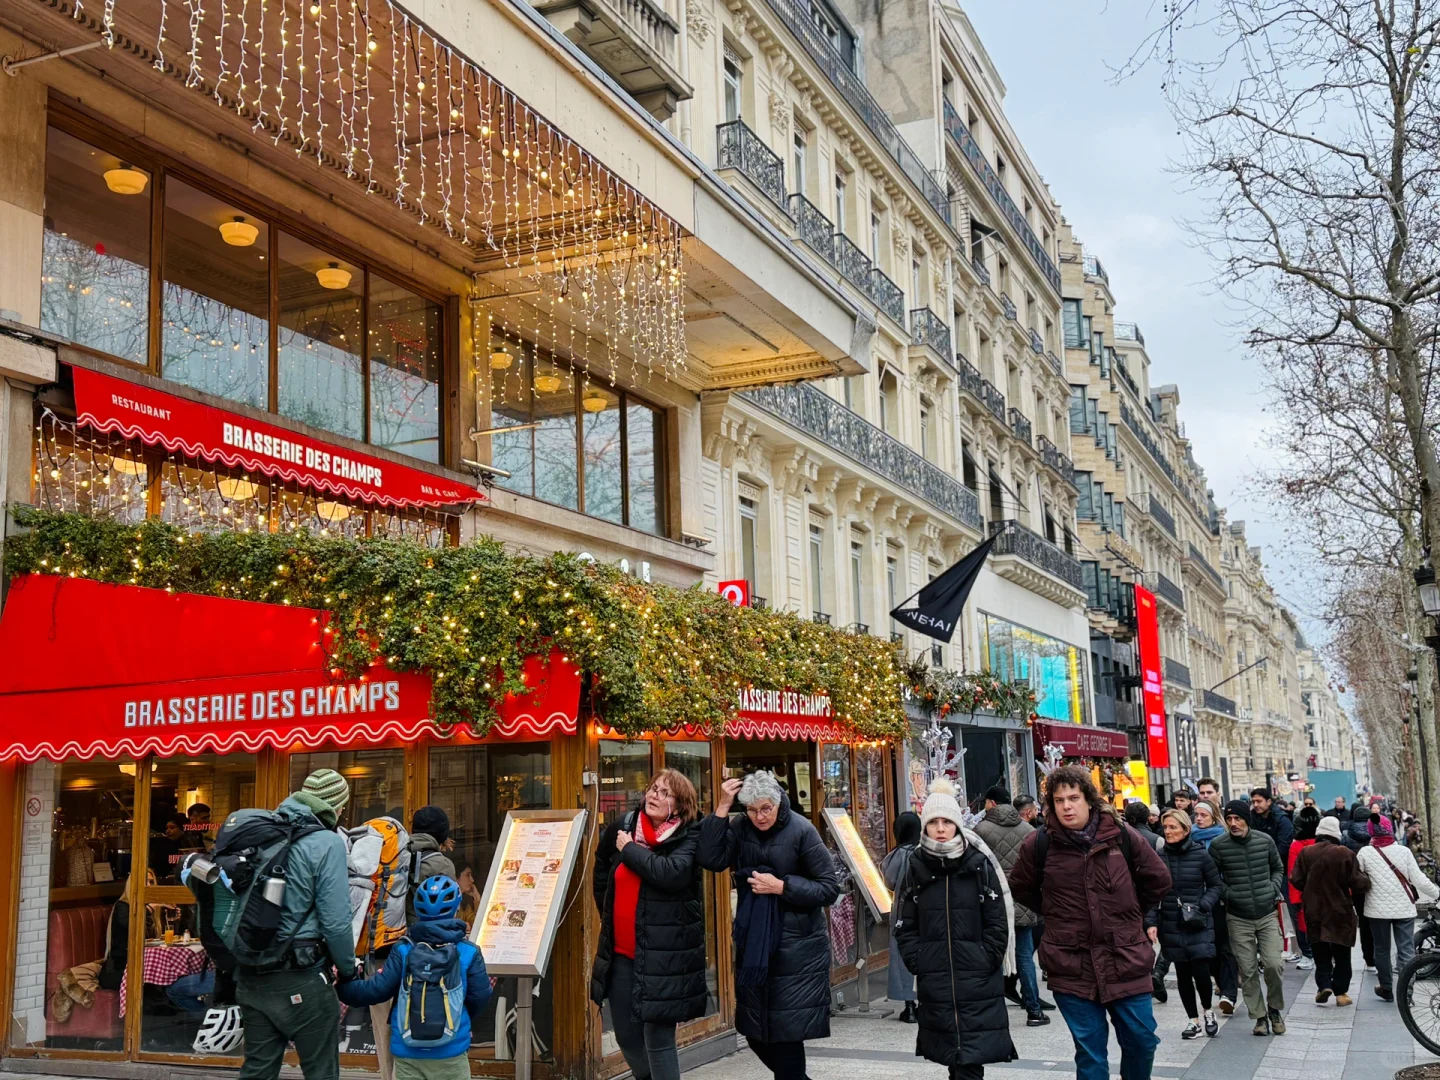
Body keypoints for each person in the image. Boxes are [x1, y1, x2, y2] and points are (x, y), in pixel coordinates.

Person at [1008, 765, 1170, 1080]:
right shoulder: (1039, 843)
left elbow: (1158, 879)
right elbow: (1021, 887)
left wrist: (1131, 913)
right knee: (1091, 1055)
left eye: (1073, 797)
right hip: (1072, 963)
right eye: (1059, 800)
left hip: (1125, 956)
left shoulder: (1120, 835)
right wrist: (1055, 913)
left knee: (1142, 1039)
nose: (1067, 806)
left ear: (1089, 800)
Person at [698, 771, 839, 1080]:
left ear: (778, 803)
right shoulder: (740, 826)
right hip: (755, 947)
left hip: (797, 951)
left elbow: (829, 888)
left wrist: (782, 887)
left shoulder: (802, 831)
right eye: (751, 809)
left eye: (765, 808)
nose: (759, 816)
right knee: (755, 1032)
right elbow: (710, 859)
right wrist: (722, 806)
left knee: (786, 1035)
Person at [237, 769, 360, 1080]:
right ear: (335, 807)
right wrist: (348, 970)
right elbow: (335, 923)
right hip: (302, 979)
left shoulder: (260, 833)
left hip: (252, 975)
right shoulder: (326, 842)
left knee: (257, 1071)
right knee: (321, 1072)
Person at [894, 779, 1017, 1080]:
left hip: (976, 975)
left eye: (946, 822)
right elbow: (905, 922)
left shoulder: (977, 863)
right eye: (933, 822)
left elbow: (997, 918)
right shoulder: (916, 866)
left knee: (969, 1061)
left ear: (957, 826)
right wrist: (918, 959)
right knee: (954, 1056)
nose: (939, 828)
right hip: (936, 975)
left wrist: (986, 956)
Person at [591, 770, 706, 1080]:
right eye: (654, 789)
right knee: (627, 1036)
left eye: (665, 793)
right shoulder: (625, 825)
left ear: (680, 805)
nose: (655, 795)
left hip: (665, 957)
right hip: (622, 953)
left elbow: (671, 874)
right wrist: (607, 910)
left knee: (658, 1037)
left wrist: (629, 850)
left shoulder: (689, 834)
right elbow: (602, 864)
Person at [337, 876, 491, 1080]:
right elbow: (480, 997)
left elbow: (377, 990)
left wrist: (343, 986)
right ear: (456, 909)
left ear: (418, 911)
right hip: (451, 1050)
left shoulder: (403, 949)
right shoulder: (468, 951)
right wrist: (458, 1017)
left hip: (407, 1051)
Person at [973, 785, 1050, 1026]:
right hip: (1022, 899)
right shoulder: (1029, 830)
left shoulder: (981, 830)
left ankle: (991, 1013)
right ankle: (1034, 1011)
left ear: (992, 803)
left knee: (991, 955)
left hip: (993, 901)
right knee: (1025, 956)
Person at [1207, 800, 1286, 1035]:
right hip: (1237, 916)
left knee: (1273, 964)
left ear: (1246, 820)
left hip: (1266, 913)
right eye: (1229, 819)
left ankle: (1274, 1009)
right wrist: (1229, 894)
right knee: (1248, 969)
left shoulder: (1265, 841)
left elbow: (1278, 868)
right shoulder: (1218, 846)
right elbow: (1213, 878)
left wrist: (1272, 889)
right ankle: (1259, 1017)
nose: (1233, 823)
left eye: (1238, 819)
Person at [1146, 809, 1221, 1040]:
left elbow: (1216, 886)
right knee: (1182, 974)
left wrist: (1203, 905)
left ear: (1185, 830)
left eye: (1173, 827)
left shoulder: (1201, 855)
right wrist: (1150, 921)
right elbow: (1152, 892)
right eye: (1165, 827)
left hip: (1197, 922)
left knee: (1200, 971)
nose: (1168, 832)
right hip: (1171, 922)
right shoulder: (1158, 857)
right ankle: (1193, 1020)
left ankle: (1208, 1011)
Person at [1356, 811, 1439, 1001]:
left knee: (1382, 949)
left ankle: (1386, 987)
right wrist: (1437, 893)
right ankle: (1406, 990)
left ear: (1371, 831)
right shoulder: (1404, 851)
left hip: (1376, 910)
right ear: (1389, 829)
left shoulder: (1365, 853)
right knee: (1406, 949)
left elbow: (1358, 880)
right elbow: (1419, 879)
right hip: (1403, 908)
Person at [1290, 816, 1367, 1007]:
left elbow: (1296, 879)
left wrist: (1311, 887)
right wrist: (1367, 879)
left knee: (1319, 949)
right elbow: (1357, 883)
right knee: (1342, 951)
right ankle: (1341, 992)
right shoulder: (1345, 853)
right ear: (1336, 834)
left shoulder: (1306, 852)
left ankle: (1323, 985)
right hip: (1339, 909)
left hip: (1314, 908)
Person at [881, 811, 921, 1022]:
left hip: (903, 911)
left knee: (902, 955)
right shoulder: (924, 851)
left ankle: (909, 1006)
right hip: (925, 909)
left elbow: (888, 881)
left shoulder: (897, 855)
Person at [1284, 807, 1319, 970]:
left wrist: (1295, 898)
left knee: (1304, 925)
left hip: (1304, 894)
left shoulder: (1297, 845)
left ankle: (1308, 955)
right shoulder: (1325, 843)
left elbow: (1293, 873)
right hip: (1324, 893)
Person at [1343, 802, 1376, 969]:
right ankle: (1378, 956)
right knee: (1377, 921)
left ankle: (1368, 958)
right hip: (1376, 883)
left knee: (1363, 920)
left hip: (1355, 883)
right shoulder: (1376, 834)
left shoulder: (1346, 835)